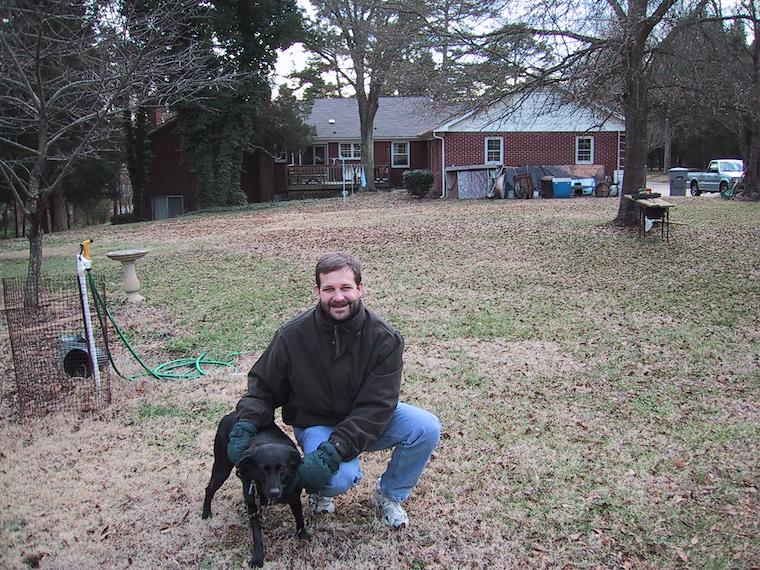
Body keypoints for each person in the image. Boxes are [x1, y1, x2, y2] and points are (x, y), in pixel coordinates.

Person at [227, 252, 441, 528]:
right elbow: (262, 387)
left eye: (346, 288)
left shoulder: (385, 339)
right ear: (317, 291)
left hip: (367, 421)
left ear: (360, 288)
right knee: (336, 479)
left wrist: (334, 451)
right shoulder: (292, 336)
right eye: (329, 289)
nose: (338, 297)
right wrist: (246, 423)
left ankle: (389, 495)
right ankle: (320, 492)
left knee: (426, 427)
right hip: (317, 422)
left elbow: (377, 407)